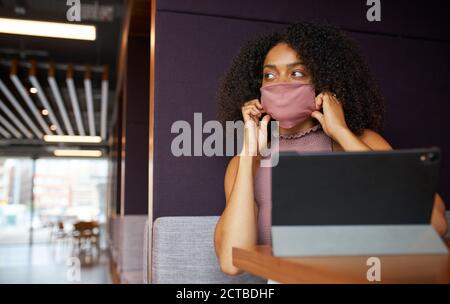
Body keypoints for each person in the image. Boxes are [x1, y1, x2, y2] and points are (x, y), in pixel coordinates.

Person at [214, 22, 448, 276]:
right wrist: (249, 154)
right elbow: (231, 261)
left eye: (296, 73)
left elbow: (434, 222)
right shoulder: (245, 163)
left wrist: (342, 133)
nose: (279, 84)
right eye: (269, 75)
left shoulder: (361, 140)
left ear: (323, 82)